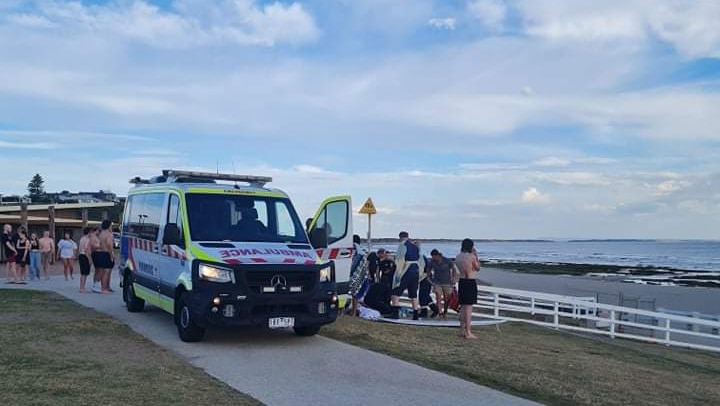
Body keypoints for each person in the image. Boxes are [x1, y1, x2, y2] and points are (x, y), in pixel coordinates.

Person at [391, 231, 425, 320]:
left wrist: (397, 273)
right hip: (416, 270)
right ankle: (415, 314)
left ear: (400, 237)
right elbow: (421, 260)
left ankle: (395, 313)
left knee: (396, 292)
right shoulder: (415, 246)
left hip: (406, 269)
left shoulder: (402, 246)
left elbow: (399, 259)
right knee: (413, 294)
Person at [455, 238, 480, 339]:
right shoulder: (471, 256)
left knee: (463, 307)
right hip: (469, 281)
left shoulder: (458, 257)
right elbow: (477, 268)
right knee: (468, 308)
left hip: (462, 281)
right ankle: (468, 332)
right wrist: (476, 255)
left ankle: (462, 329)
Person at [428, 249, 457, 320]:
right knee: (438, 297)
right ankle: (440, 313)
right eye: (432, 257)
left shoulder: (446, 260)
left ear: (438, 255)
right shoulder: (432, 262)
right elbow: (429, 269)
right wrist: (429, 278)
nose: (433, 259)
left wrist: (453, 278)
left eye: (434, 257)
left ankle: (445, 311)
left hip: (447, 282)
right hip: (437, 282)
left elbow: (453, 268)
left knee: (447, 299)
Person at [92, 220, 115, 294]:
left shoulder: (101, 234)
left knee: (102, 271)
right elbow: (109, 245)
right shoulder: (109, 234)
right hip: (106, 253)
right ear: (109, 225)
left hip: (101, 253)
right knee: (106, 272)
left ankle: (100, 286)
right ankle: (104, 288)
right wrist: (111, 255)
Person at [78, 228, 93, 293]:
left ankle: (82, 287)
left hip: (81, 255)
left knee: (83, 273)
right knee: (84, 273)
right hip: (85, 256)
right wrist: (89, 259)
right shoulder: (87, 239)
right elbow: (86, 249)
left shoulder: (82, 238)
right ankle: (82, 288)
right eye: (91, 232)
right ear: (89, 232)